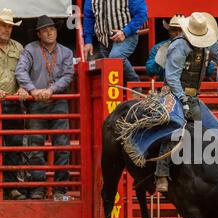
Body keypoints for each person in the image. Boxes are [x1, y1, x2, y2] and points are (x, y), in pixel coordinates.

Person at [155, 12, 218, 192]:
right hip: (172, 94)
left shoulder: (208, 43)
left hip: (192, 97)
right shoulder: (179, 46)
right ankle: (161, 174)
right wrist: (184, 100)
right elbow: (171, 78)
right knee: (174, 127)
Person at [15, 15, 74, 200]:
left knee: (62, 146)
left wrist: (51, 89)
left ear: (56, 31)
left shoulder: (66, 52)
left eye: (52, 29)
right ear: (39, 34)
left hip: (57, 101)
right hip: (37, 102)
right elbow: (20, 70)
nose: (50, 32)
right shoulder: (30, 49)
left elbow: (68, 76)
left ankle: (60, 189)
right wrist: (32, 90)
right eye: (45, 30)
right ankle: (37, 189)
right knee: (35, 147)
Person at [0, 8, 29, 200]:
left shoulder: (19, 48)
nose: (6, 29)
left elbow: (25, 71)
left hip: (11, 101)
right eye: (3, 25)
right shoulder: (19, 47)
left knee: (13, 145)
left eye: (9, 26)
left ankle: (10, 186)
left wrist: (24, 87)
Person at [83, 0, 148, 84]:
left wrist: (125, 32)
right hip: (104, 40)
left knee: (115, 57)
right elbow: (88, 17)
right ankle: (123, 92)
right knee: (111, 70)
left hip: (127, 36)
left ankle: (135, 84)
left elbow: (141, 14)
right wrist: (88, 41)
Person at [145, 14, 184, 80]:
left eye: (180, 30)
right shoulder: (159, 47)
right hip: (166, 85)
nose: (177, 33)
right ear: (169, 31)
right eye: (174, 30)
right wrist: (160, 58)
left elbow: (207, 70)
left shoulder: (194, 46)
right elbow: (149, 71)